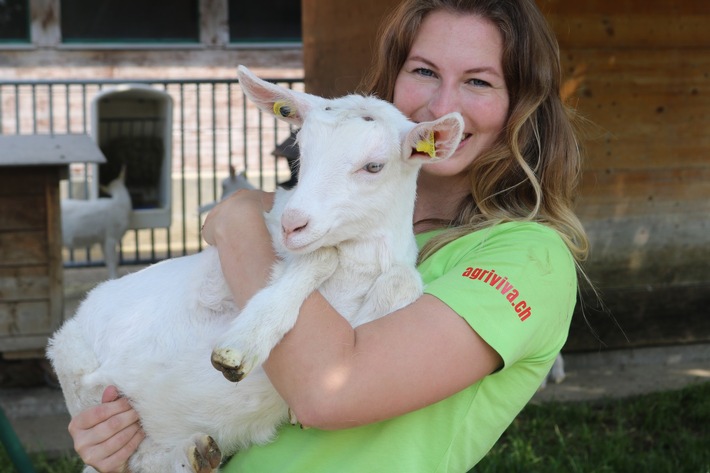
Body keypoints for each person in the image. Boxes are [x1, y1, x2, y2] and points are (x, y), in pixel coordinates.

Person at [66, 0, 589, 471]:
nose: (439, 104)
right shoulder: (324, 220)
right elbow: (231, 378)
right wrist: (127, 436)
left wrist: (239, 220)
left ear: (520, 104)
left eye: (479, 81)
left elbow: (325, 393)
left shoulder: (528, 258)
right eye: (424, 70)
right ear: (392, 78)